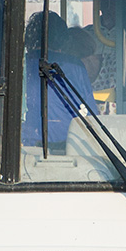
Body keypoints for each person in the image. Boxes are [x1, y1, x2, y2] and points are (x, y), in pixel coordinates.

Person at [22, 11, 95, 148]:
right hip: (66, 148)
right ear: (63, 40)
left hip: (22, 148)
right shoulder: (75, 66)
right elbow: (90, 117)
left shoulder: (18, 65)